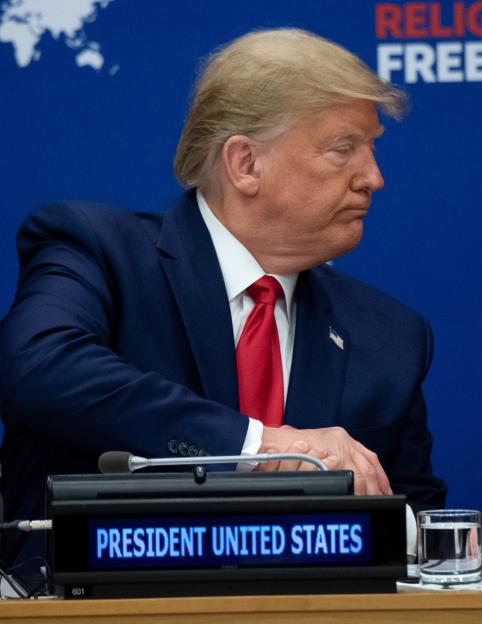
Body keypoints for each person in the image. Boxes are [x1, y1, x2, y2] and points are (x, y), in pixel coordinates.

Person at [0, 29, 446, 566]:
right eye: (343, 149)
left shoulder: (390, 336)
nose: (374, 177)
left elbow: (422, 533)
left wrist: (391, 523)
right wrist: (258, 446)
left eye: (371, 149)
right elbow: (36, 364)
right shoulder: (100, 252)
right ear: (245, 164)